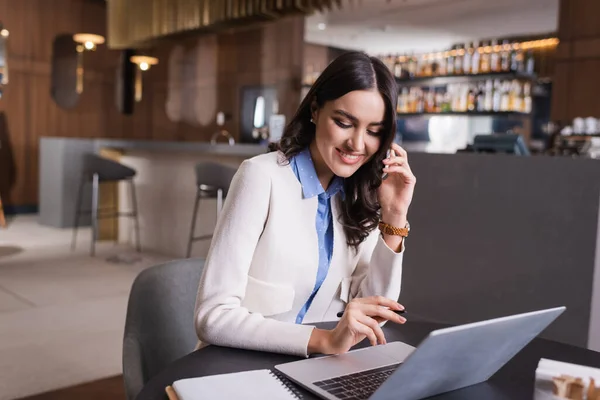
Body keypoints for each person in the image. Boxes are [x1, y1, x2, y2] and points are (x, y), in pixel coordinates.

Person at [194, 51, 416, 357]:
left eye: (374, 131)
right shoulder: (261, 177)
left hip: (312, 368)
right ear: (315, 110)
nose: (357, 144)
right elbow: (213, 316)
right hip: (239, 365)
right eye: (344, 122)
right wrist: (324, 340)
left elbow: (374, 315)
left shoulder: (360, 196)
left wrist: (394, 215)